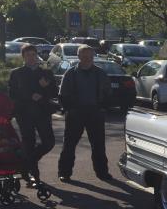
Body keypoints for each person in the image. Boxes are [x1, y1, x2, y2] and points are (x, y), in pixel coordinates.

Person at [57, 45, 112, 182]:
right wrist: (70, 109)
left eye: (90, 56)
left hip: (95, 113)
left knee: (98, 145)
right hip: (76, 113)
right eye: (84, 56)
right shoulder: (70, 73)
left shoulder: (101, 73)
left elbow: (108, 93)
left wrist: (102, 107)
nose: (87, 59)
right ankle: (64, 172)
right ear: (79, 57)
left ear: (93, 57)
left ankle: (102, 173)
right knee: (69, 145)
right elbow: (62, 95)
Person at [8, 44, 57, 186]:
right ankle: (33, 177)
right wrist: (30, 96)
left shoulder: (46, 73)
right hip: (24, 113)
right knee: (29, 143)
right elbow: (12, 94)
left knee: (49, 142)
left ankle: (27, 162)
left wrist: (45, 88)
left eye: (34, 55)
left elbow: (54, 93)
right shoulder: (17, 73)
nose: (31, 58)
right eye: (28, 55)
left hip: (42, 112)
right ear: (23, 57)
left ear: (37, 56)